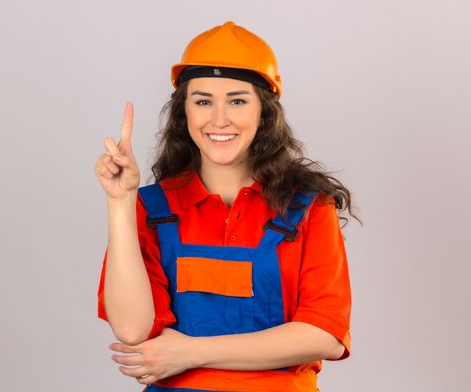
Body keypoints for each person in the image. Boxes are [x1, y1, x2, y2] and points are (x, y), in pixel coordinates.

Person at [94, 21, 356, 392]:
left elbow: (324, 334)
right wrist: (120, 202)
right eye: (203, 101)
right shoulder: (153, 209)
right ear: (184, 113)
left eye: (237, 100)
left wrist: (190, 353)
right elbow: (133, 329)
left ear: (263, 112)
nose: (219, 119)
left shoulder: (309, 207)